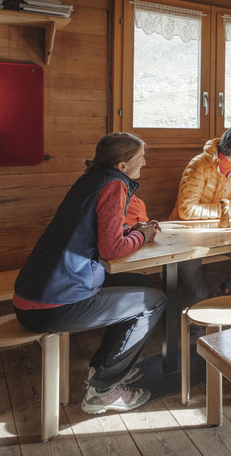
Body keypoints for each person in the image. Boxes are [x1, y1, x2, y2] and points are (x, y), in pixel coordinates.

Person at [13, 132, 165, 415]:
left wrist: (133, 231)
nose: (144, 163)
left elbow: (95, 232)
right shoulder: (115, 185)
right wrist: (142, 236)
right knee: (152, 300)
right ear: (122, 166)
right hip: (52, 304)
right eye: (140, 158)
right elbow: (111, 249)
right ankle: (103, 391)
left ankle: (100, 368)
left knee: (138, 282)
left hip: (33, 293)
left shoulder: (93, 178)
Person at [170, 125, 231, 303]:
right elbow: (187, 210)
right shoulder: (199, 165)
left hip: (224, 233)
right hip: (186, 237)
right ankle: (196, 322)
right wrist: (227, 209)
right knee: (194, 281)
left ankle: (226, 291)